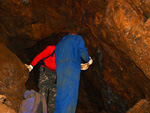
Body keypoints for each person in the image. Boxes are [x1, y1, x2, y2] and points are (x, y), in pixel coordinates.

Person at [54, 33, 93, 113]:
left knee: (60, 95)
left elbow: (60, 59)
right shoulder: (76, 38)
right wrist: (88, 60)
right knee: (69, 94)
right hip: (71, 68)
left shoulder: (59, 44)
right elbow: (82, 52)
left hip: (60, 69)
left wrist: (78, 65)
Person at [25, 45, 56, 113]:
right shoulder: (51, 49)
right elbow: (40, 56)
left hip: (56, 74)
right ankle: (40, 110)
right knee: (43, 90)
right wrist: (31, 66)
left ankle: (52, 111)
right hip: (45, 70)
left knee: (54, 94)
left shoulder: (66, 54)